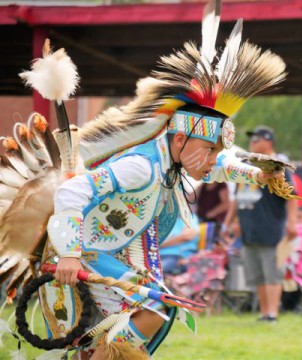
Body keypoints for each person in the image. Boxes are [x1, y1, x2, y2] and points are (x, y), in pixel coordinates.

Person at [41, 10, 288, 359]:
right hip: (87, 252)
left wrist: (257, 174)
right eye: (208, 148)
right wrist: (69, 253)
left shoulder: (173, 162)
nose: (211, 158)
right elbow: (71, 190)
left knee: (112, 331)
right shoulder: (141, 166)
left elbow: (217, 165)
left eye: (215, 150)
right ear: (180, 139)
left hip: (115, 254)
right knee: (156, 309)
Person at [223, 126, 298, 322]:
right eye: (252, 138)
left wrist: (292, 222)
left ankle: (272, 313)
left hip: (270, 227)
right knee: (256, 275)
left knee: (272, 272)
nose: (253, 141)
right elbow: (237, 197)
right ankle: (264, 312)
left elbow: (291, 196)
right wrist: (229, 222)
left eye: (258, 138)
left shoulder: (277, 165)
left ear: (269, 141)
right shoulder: (245, 164)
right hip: (248, 229)